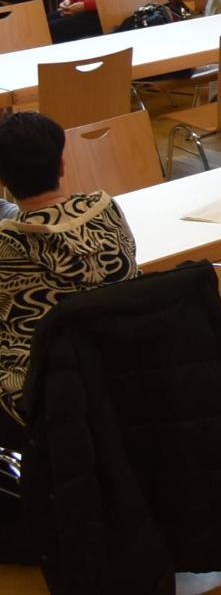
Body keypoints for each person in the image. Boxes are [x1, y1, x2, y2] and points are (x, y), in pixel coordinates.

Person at [0, 111, 141, 432]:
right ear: (62, 164)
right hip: (126, 370)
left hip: (38, 395)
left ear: (4, 180)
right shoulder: (107, 211)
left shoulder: (7, 244)